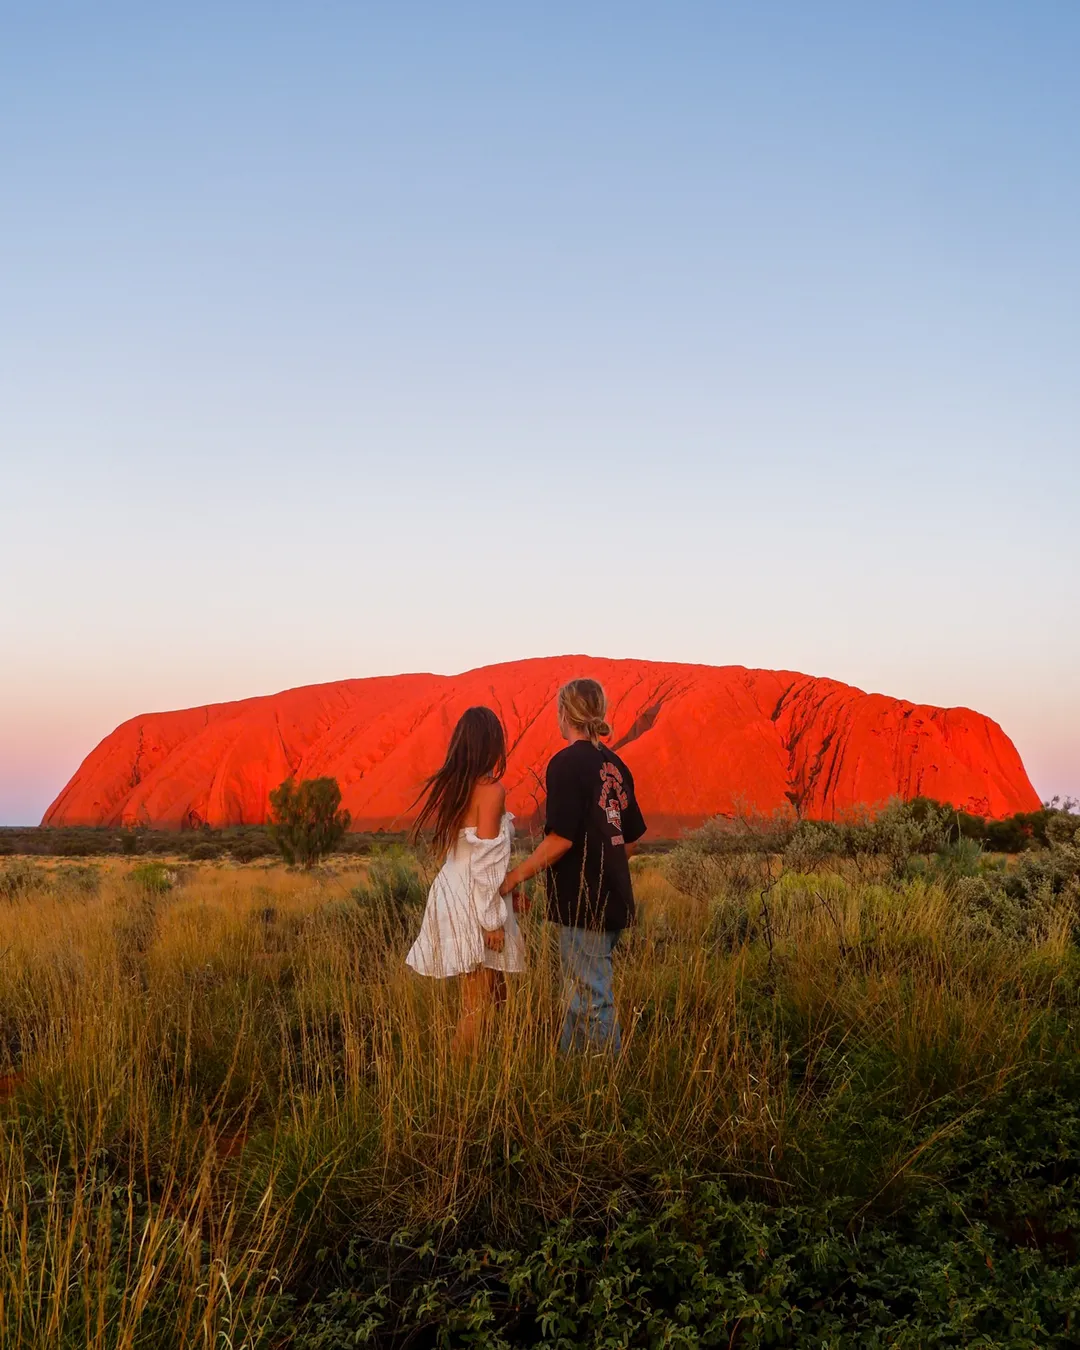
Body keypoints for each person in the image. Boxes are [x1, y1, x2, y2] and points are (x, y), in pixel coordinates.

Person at [499, 678, 645, 1052]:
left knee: (593, 997)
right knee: (581, 993)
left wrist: (515, 876)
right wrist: (607, 863)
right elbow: (630, 840)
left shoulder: (565, 764)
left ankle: (608, 1085)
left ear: (565, 714)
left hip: (584, 902)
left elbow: (560, 839)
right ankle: (569, 1072)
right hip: (614, 897)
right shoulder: (616, 765)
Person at [405, 706, 524, 1052]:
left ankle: (507, 1058)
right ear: (491, 744)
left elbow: (469, 854)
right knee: (476, 1006)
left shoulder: (456, 787)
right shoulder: (491, 790)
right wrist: (491, 921)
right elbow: (486, 859)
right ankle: (452, 1086)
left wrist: (510, 895)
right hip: (476, 899)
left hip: (453, 892)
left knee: (496, 991)